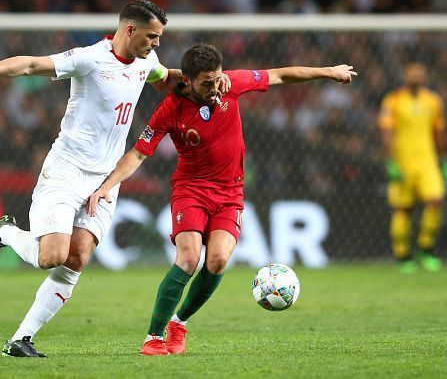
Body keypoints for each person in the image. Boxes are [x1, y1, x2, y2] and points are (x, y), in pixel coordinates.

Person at [0, 0, 229, 358]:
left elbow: (168, 78)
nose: (157, 45)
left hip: (106, 177)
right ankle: (5, 232)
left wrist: (209, 79)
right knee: (51, 255)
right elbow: (31, 65)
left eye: (160, 38)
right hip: (67, 170)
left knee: (77, 256)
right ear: (130, 30)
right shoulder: (89, 58)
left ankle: (21, 340)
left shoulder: (146, 62)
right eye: (152, 36)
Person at [87, 43, 356, 355]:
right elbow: (138, 153)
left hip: (230, 193)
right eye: (207, 83)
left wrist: (329, 72)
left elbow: (281, 75)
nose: (215, 88)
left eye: (217, 80)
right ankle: (153, 338)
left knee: (217, 261)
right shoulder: (169, 110)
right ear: (186, 80)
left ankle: (180, 323)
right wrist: (107, 186)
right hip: (191, 189)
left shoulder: (231, 84)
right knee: (188, 259)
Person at [378, 62, 447, 273]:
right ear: (405, 76)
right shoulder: (393, 100)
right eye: (412, 73)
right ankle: (403, 255)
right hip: (403, 161)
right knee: (403, 210)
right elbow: (387, 132)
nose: (416, 76)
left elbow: (438, 131)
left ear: (425, 76)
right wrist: (390, 160)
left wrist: (442, 159)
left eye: (420, 73)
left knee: (435, 200)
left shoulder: (433, 101)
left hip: (427, 160)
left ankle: (426, 249)